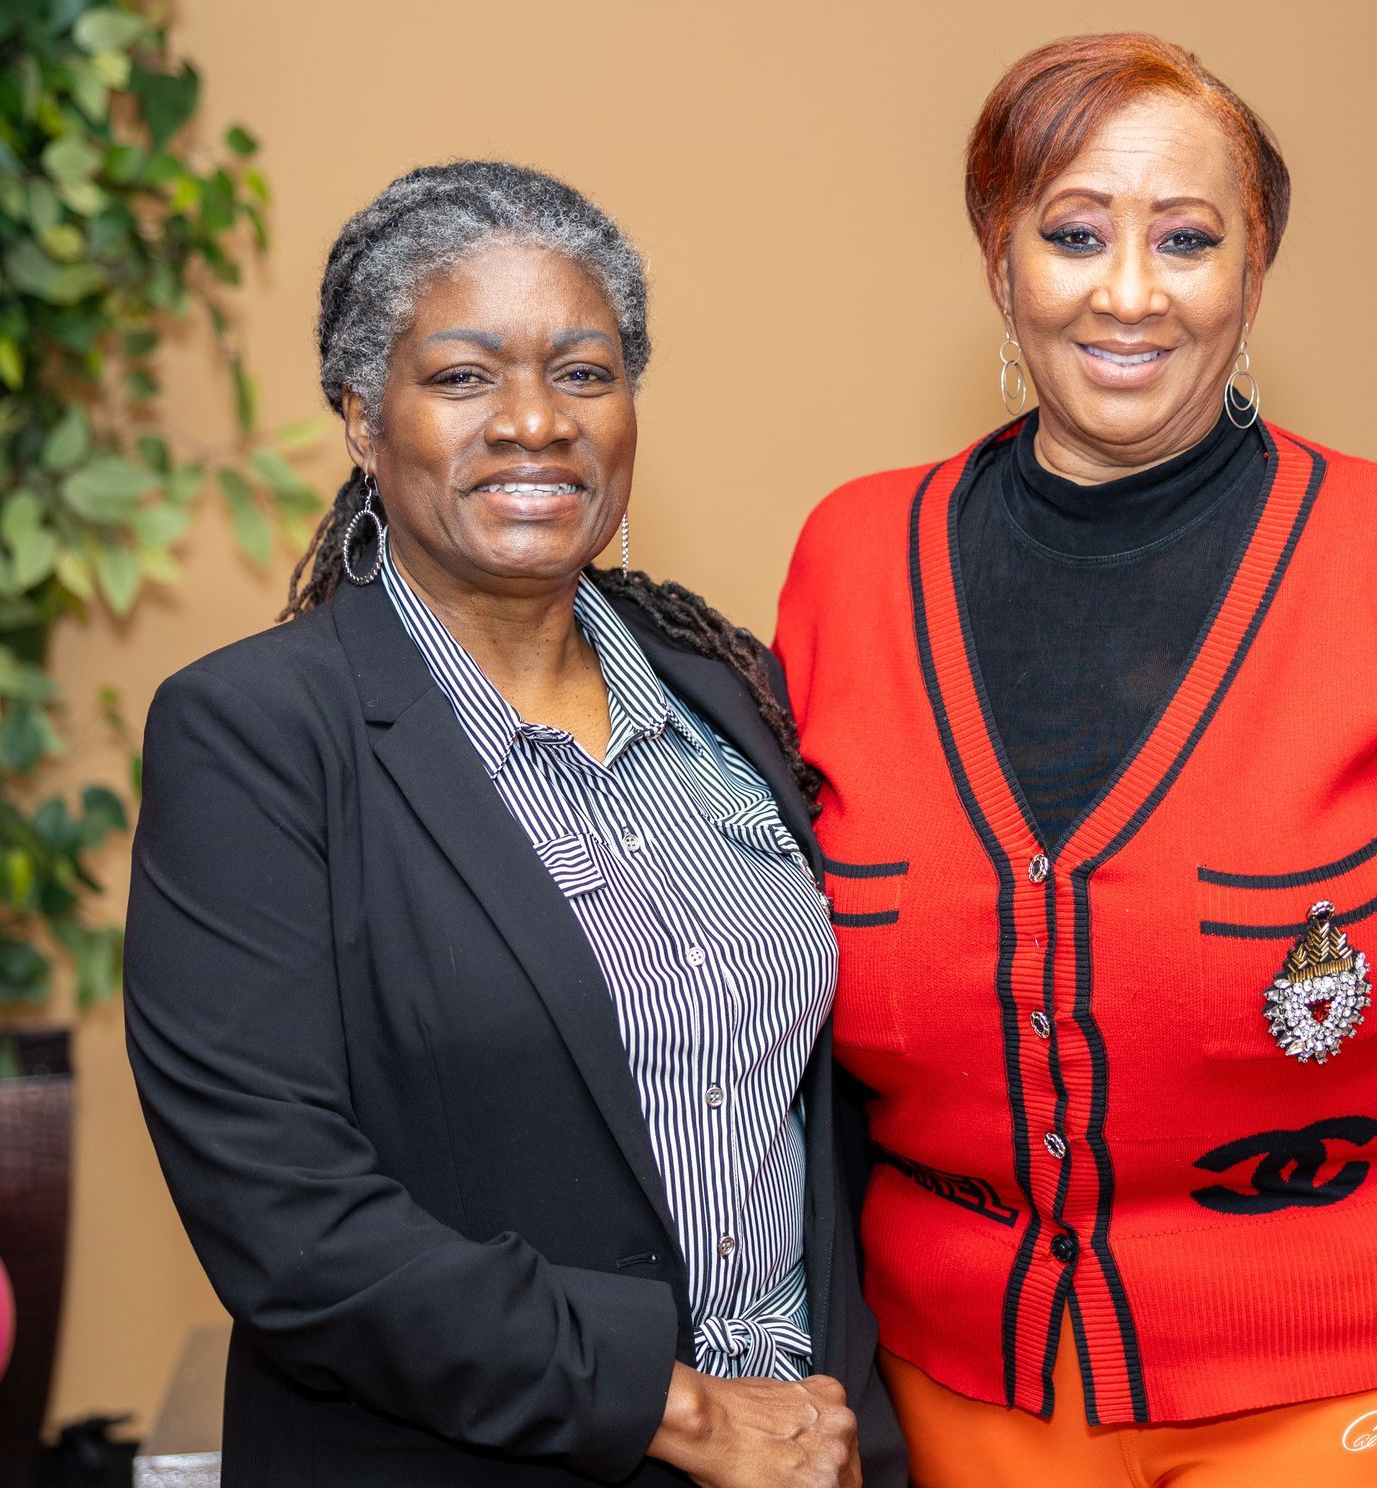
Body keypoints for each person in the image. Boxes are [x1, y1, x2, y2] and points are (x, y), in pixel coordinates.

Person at [774, 33, 1377, 1488]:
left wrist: (1367, 1056)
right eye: (1073, 234)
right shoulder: (851, 562)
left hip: (1333, 1377)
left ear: (1253, 276)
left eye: (1186, 239)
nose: (1129, 292)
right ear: (999, 261)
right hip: (960, 1371)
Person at [124, 160, 902, 1488]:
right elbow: (289, 1221)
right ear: (366, 420)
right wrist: (682, 1412)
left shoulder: (735, 698)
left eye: (585, 374)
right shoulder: (257, 736)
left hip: (813, 1452)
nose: (535, 421)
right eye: (465, 377)